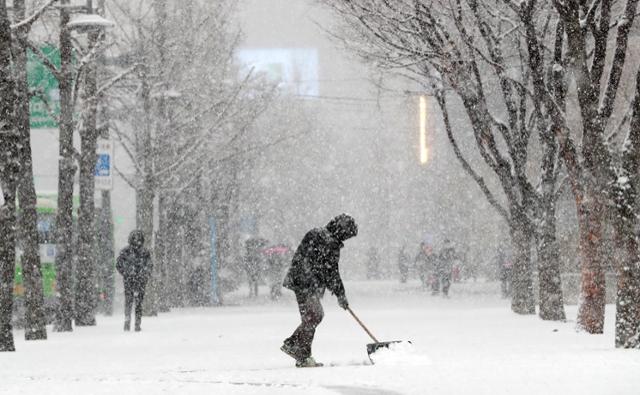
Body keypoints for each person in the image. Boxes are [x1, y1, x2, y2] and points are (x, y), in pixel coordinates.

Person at [281, 214, 358, 368]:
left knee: (312, 316)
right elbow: (331, 271)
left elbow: (328, 270)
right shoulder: (327, 240)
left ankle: (301, 353)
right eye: (347, 235)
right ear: (341, 231)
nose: (345, 240)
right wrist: (340, 295)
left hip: (303, 281)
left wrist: (339, 293)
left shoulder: (319, 235)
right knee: (314, 315)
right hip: (305, 283)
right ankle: (295, 347)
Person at [116, 230, 152, 332]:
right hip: (132, 281)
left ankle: (135, 323)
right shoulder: (126, 252)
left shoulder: (144, 252)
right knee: (132, 303)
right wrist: (126, 273)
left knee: (135, 303)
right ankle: (131, 323)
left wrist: (144, 274)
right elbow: (118, 265)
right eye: (135, 239)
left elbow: (149, 266)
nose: (137, 242)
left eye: (138, 239)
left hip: (137, 281)